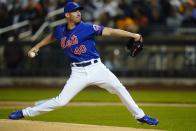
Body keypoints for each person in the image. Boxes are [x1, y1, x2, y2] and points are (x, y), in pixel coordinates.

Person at [9, 2, 159, 126]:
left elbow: (111, 31)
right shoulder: (60, 31)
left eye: (79, 10)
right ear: (67, 15)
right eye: (74, 11)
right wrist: (37, 46)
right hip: (78, 72)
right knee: (61, 102)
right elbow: (51, 37)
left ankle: (140, 115)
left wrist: (134, 35)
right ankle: (24, 112)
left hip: (97, 68)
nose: (78, 13)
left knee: (119, 88)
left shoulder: (87, 28)